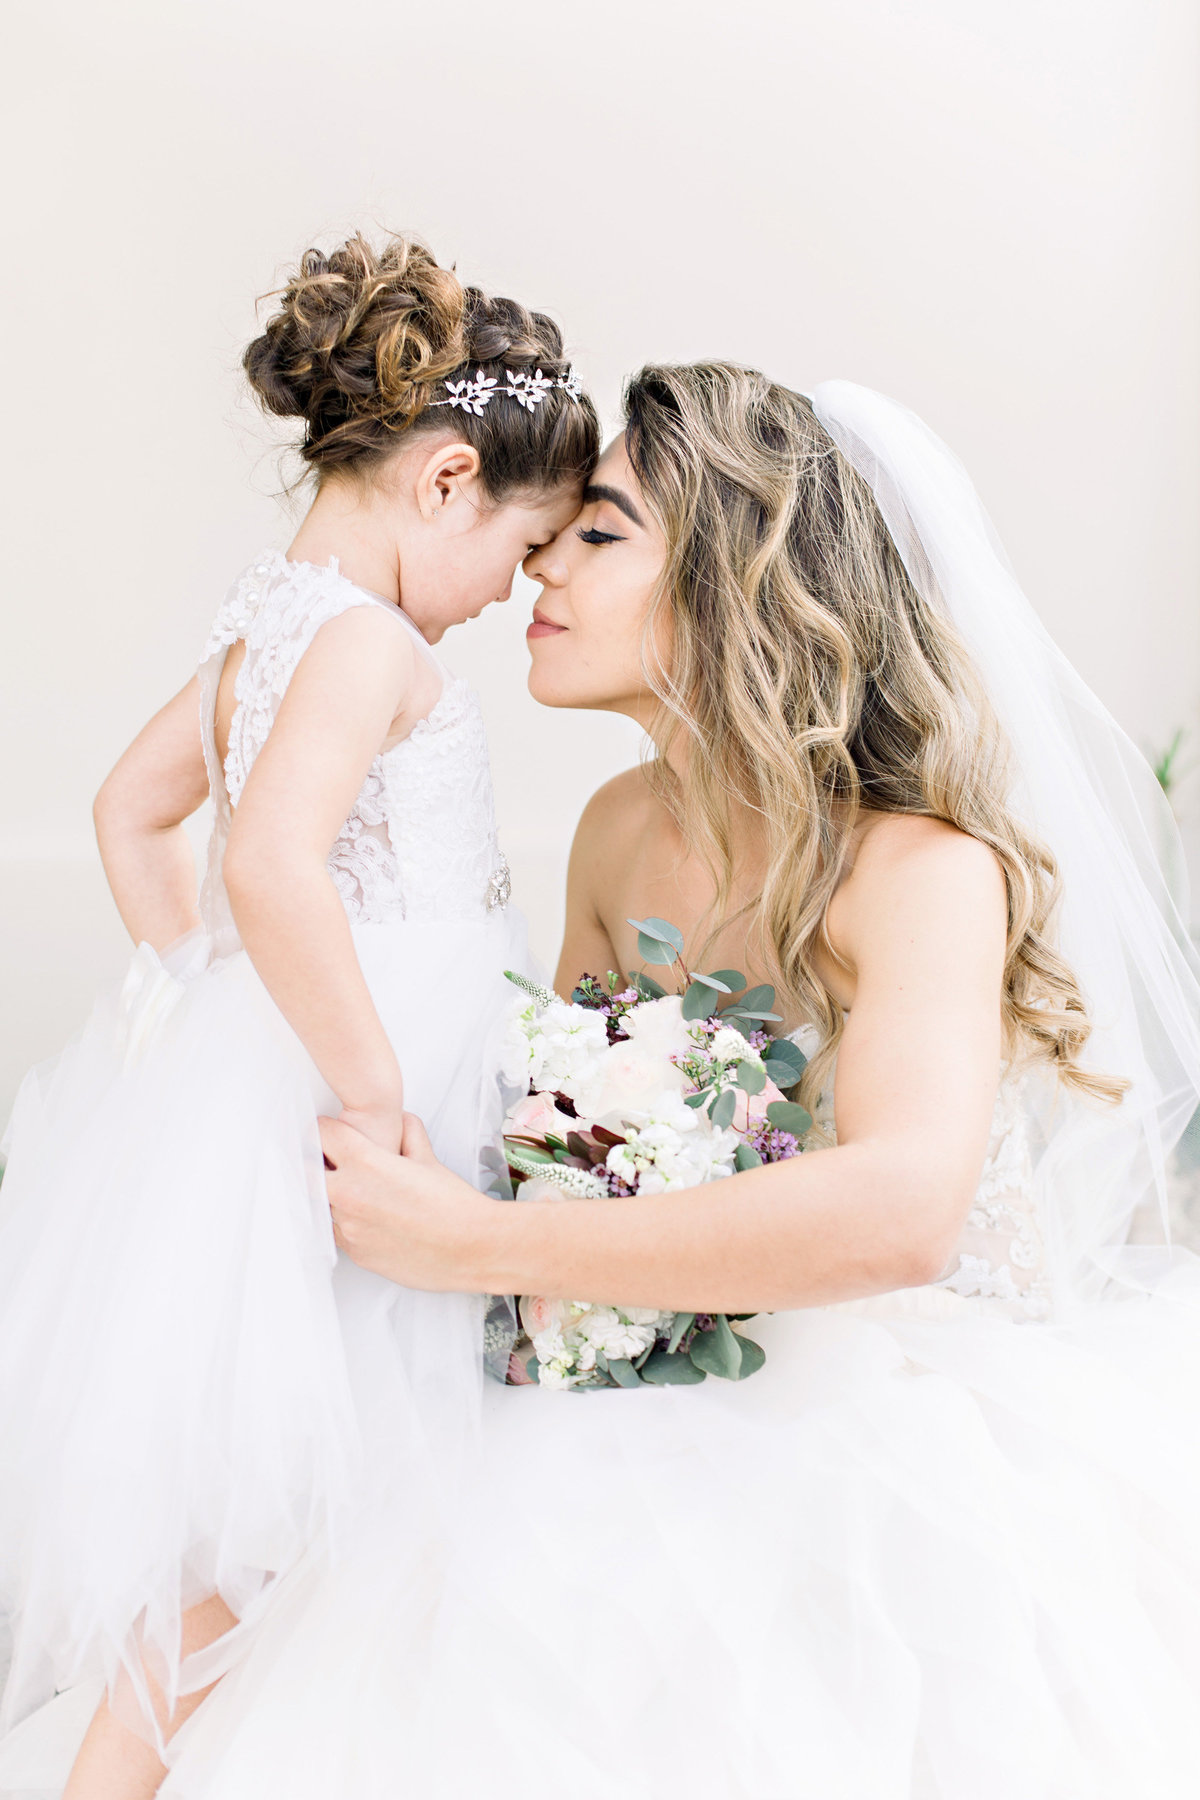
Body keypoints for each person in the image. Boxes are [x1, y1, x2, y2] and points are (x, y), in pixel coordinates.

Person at [4, 363, 1199, 1799]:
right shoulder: (617, 829)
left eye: (602, 533)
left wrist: (484, 1243)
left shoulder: (920, 870)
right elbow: (552, 1145)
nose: (542, 565)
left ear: (739, 584)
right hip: (608, 1354)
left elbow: (904, 1212)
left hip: (859, 1400)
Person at [0, 231, 598, 1799]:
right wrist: (366, 1079)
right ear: (447, 478)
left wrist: (222, 1013)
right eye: (520, 549)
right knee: (275, 1530)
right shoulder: (367, 639)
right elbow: (264, 860)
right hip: (366, 1100)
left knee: (271, 1528)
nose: (508, 595)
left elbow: (133, 816)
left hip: (279, 1081)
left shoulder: (260, 630)